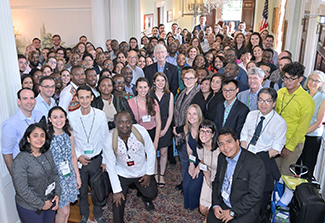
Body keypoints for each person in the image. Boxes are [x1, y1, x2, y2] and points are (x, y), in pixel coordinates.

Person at [240, 87, 286, 220]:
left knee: (259, 200)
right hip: (245, 157)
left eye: (267, 101)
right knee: (242, 193)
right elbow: (244, 136)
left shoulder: (280, 122)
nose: (263, 104)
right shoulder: (251, 114)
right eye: (261, 100)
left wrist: (256, 158)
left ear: (274, 103)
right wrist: (243, 154)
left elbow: (276, 149)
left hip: (263, 161)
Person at [104, 111, 158, 222]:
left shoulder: (141, 131)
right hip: (123, 172)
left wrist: (149, 173)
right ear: (115, 123)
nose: (125, 125)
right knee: (118, 200)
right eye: (121, 122)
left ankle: (144, 196)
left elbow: (151, 151)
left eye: (128, 122)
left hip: (141, 171)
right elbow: (110, 166)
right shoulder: (109, 139)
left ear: (132, 122)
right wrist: (116, 190)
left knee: (152, 193)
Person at [68, 85, 110, 223]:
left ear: (92, 98)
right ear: (77, 99)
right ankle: (84, 215)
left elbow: (105, 137)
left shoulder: (100, 115)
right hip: (80, 160)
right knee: (83, 189)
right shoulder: (71, 116)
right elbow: (71, 140)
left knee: (98, 189)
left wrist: (104, 159)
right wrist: (78, 155)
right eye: (81, 97)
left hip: (96, 158)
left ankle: (98, 215)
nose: (84, 100)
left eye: (87, 97)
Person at [207, 128, 266, 223]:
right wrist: (216, 204)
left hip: (243, 209)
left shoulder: (255, 163)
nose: (225, 147)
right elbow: (217, 182)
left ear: (237, 142)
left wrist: (233, 212)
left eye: (228, 142)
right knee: (211, 219)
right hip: (223, 203)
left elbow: (255, 195)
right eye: (221, 144)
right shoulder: (222, 157)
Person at [11, 123, 61, 223]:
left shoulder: (47, 152)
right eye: (35, 135)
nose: (39, 139)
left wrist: (57, 194)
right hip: (30, 207)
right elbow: (22, 190)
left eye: (42, 135)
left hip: (49, 201)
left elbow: (55, 173)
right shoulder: (20, 161)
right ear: (28, 139)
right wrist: (41, 204)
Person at [275, 62, 315, 176]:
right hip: (277, 139)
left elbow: (302, 128)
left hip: (293, 143)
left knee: (286, 173)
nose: (287, 82)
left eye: (291, 79)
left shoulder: (306, 100)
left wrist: (289, 147)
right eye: (285, 78)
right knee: (274, 171)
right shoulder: (280, 92)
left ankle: (288, 194)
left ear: (300, 79)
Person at [173, 69, 205, 191]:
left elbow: (196, 119)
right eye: (186, 78)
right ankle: (185, 181)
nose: (188, 81)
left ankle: (190, 184)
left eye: (191, 78)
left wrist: (179, 129)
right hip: (181, 133)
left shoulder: (198, 96)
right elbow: (178, 111)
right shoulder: (182, 92)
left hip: (190, 134)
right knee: (184, 160)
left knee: (190, 160)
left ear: (196, 79)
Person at [48, 106, 81, 223]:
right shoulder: (47, 138)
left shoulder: (69, 134)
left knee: (67, 209)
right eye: (55, 117)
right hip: (56, 179)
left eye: (61, 117)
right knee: (63, 211)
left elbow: (73, 156)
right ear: (50, 119)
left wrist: (77, 176)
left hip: (69, 176)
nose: (59, 120)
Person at [1, 88, 43, 173]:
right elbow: (7, 152)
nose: (29, 101)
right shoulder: (10, 124)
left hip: (41, 167)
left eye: (31, 98)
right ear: (19, 101)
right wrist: (15, 175)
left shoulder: (39, 115)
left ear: (35, 100)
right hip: (26, 171)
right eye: (25, 98)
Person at [296, 71, 325, 178]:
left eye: (317, 81)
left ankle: (304, 192)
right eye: (311, 79)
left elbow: (318, 123)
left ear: (322, 84)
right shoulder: (302, 94)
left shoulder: (323, 98)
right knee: (296, 166)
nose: (313, 82)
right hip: (298, 137)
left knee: (308, 167)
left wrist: (301, 132)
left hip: (312, 137)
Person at [150, 72, 174, 187]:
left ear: (166, 82)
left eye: (162, 80)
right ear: (154, 82)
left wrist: (164, 130)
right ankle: (155, 175)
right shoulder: (149, 94)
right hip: (152, 126)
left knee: (164, 152)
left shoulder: (170, 95)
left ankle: (162, 175)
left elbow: (170, 114)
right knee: (153, 152)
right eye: (158, 80)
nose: (160, 83)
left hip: (165, 126)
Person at [128, 77, 161, 150]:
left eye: (145, 87)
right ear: (136, 88)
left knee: (152, 159)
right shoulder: (130, 103)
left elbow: (158, 122)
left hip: (152, 133)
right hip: (137, 135)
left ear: (148, 88)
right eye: (140, 87)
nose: (143, 90)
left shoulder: (153, 102)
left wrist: (156, 142)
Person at [197, 120, 220, 222]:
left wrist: (214, 183)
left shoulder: (220, 149)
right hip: (208, 175)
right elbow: (202, 162)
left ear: (213, 134)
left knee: (213, 208)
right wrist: (207, 177)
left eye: (207, 131)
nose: (204, 134)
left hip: (220, 179)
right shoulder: (200, 147)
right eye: (202, 131)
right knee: (202, 209)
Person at [182, 104, 204, 210]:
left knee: (192, 187)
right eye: (189, 114)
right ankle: (189, 205)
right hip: (194, 160)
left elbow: (207, 153)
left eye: (194, 114)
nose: (191, 116)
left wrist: (198, 168)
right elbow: (189, 150)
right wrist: (191, 164)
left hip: (204, 162)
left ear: (199, 115)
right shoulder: (187, 128)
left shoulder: (204, 130)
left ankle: (197, 204)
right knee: (185, 185)